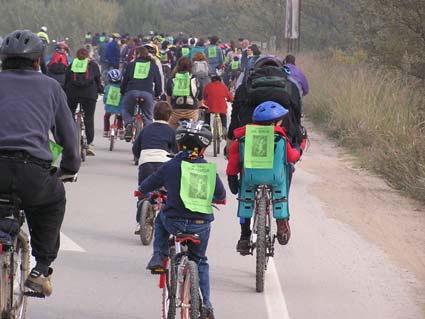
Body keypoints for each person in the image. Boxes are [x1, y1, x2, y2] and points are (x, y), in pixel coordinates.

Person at [0, 29, 80, 296]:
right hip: (32, 172)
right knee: (53, 200)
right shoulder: (51, 87)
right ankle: (40, 270)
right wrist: (70, 167)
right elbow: (67, 136)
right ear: (38, 61)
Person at [140, 120, 226, 319]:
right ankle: (207, 304)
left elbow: (147, 184)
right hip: (201, 225)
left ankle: (158, 257)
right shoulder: (208, 169)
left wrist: (141, 191)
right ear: (204, 148)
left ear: (179, 145)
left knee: (161, 219)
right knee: (200, 261)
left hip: (174, 221)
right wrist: (216, 199)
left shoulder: (170, 166)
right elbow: (221, 196)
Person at [226, 101, 301, 254]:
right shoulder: (280, 138)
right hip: (276, 180)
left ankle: (245, 235)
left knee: (245, 198)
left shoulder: (244, 138)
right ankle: (281, 219)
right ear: (275, 122)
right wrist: (299, 149)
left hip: (250, 179)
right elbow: (292, 156)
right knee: (287, 169)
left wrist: (232, 178)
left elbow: (233, 159)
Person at [132, 101, 177, 234]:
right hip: (163, 164)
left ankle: (140, 224)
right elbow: (175, 149)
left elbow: (136, 149)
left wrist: (140, 158)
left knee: (143, 192)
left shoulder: (146, 129)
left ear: (153, 114)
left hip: (145, 163)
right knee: (166, 193)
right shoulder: (171, 131)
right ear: (169, 116)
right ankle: (165, 222)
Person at [64, 47, 103, 156]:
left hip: (73, 94)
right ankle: (90, 144)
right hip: (89, 95)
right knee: (89, 118)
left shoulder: (72, 64)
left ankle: (69, 140)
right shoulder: (93, 65)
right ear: (87, 55)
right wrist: (100, 89)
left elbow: (66, 80)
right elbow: (98, 81)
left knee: (69, 115)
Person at [121, 46, 162, 141]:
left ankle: (128, 124)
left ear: (138, 54)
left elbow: (125, 80)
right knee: (148, 115)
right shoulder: (153, 65)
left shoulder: (131, 65)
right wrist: (157, 94)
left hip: (132, 92)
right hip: (147, 93)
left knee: (126, 109)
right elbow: (158, 82)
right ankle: (148, 136)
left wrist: (123, 92)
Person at [166, 57, 204, 128]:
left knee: (172, 128)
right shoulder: (196, 80)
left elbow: (168, 101)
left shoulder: (172, 80)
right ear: (191, 67)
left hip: (176, 113)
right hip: (192, 113)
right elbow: (200, 101)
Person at [103, 69, 124, 138]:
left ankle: (106, 131)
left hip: (109, 107)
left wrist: (105, 102)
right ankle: (121, 130)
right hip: (119, 108)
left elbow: (105, 98)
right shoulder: (122, 88)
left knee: (106, 117)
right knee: (120, 117)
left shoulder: (108, 87)